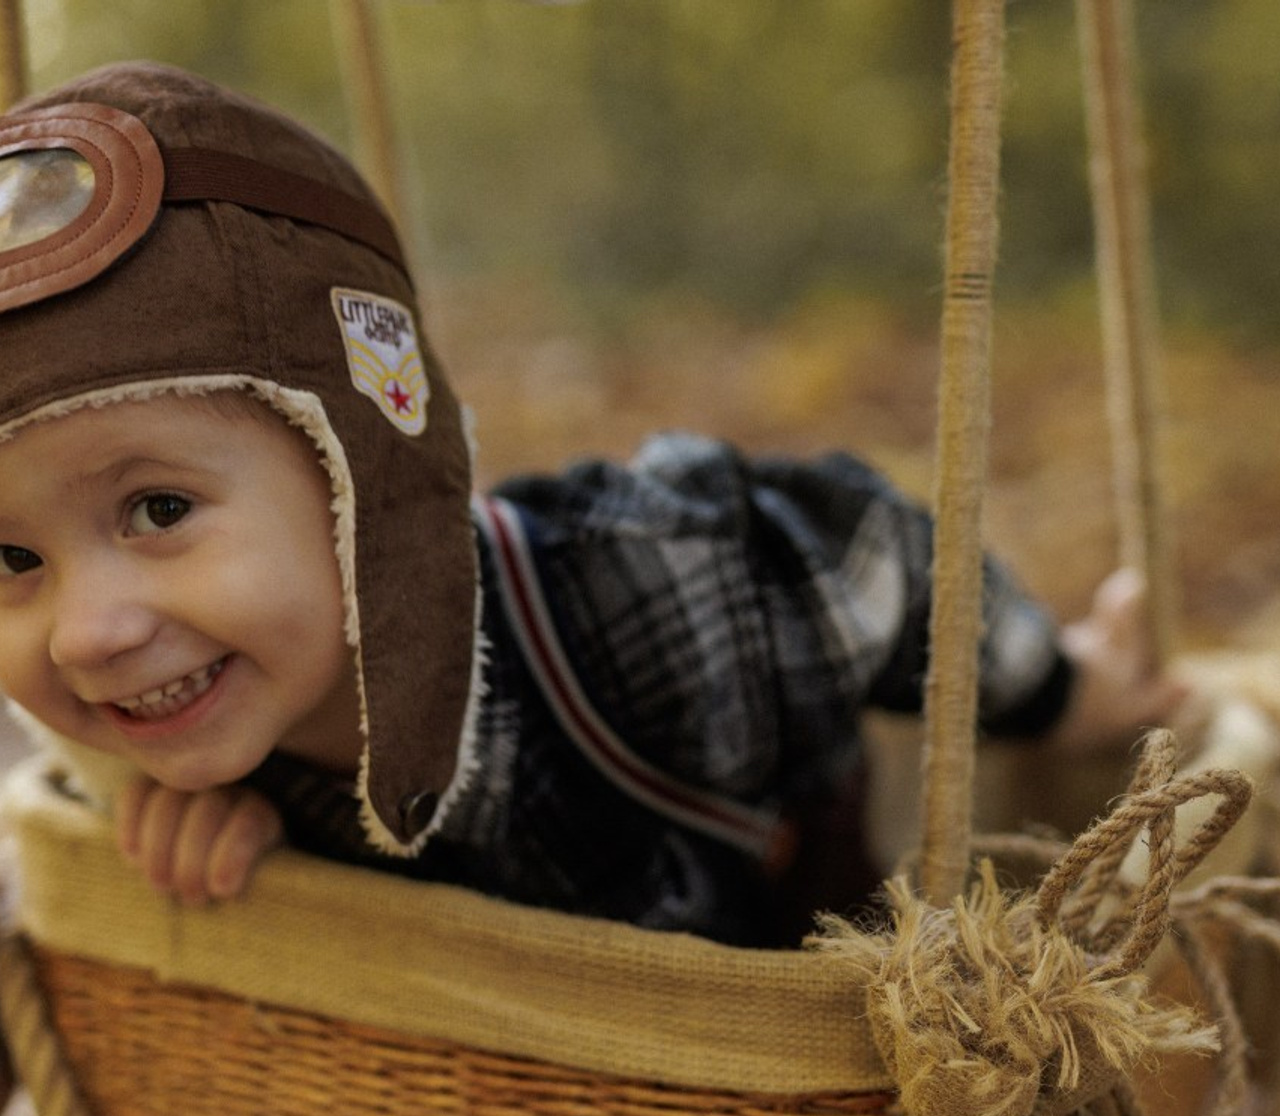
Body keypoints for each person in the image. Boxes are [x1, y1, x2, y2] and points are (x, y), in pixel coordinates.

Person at [0, 63, 1184, 945]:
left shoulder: (644, 579)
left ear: (361, 460)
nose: (88, 629)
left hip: (828, 1005)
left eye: (158, 509)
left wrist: (1059, 686)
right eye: (9, 556)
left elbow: (874, 557)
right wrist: (252, 846)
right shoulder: (190, 743)